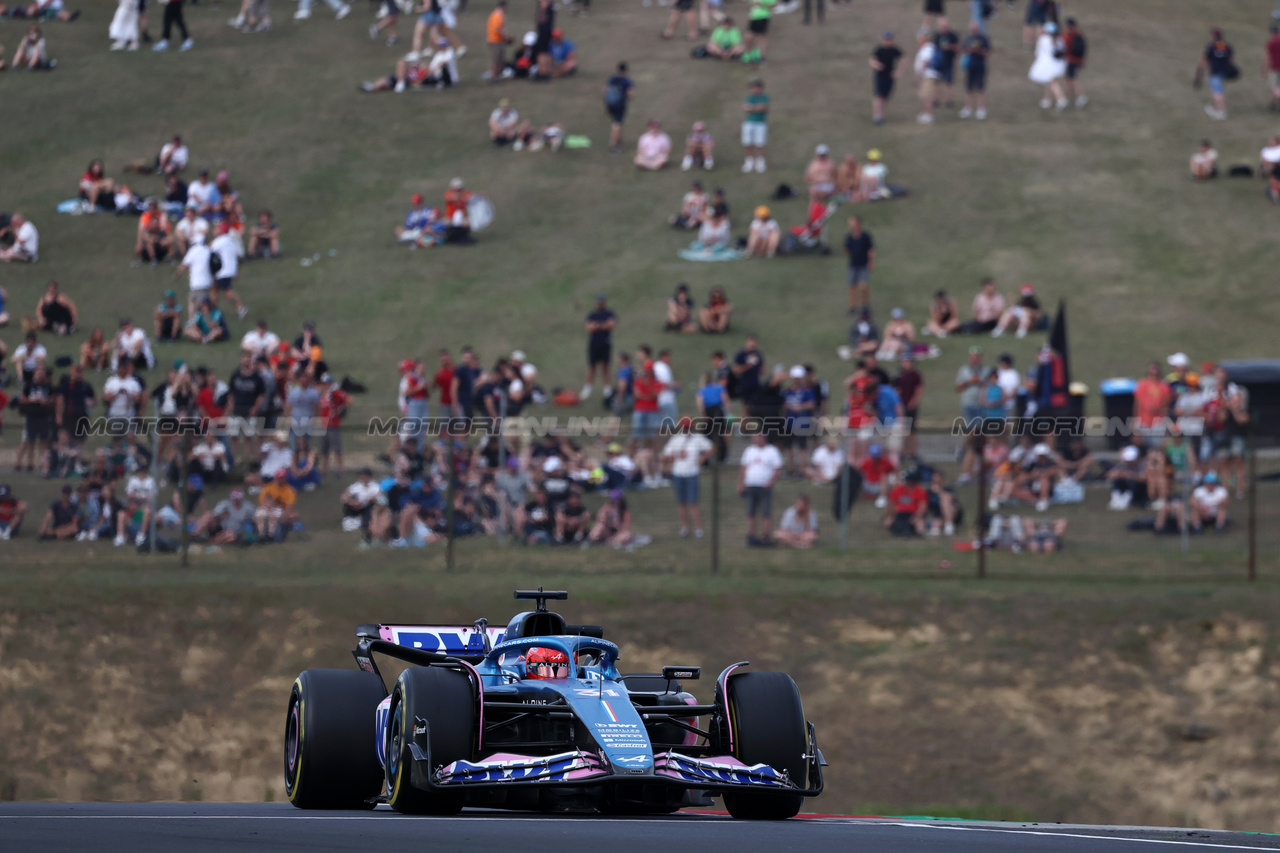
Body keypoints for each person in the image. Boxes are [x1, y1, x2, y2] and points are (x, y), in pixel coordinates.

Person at [738, 431, 782, 546]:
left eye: (757, 437)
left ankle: (765, 536)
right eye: (754, 437)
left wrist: (770, 483)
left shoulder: (772, 451)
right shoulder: (749, 451)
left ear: (763, 438)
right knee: (751, 512)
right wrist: (740, 484)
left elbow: (777, 470)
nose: (756, 439)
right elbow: (743, 468)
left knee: (766, 512)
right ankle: (751, 535)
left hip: (764, 486)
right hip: (750, 485)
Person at [210, 222, 247, 318]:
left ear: (221, 231)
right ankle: (214, 310)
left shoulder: (219, 241)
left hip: (222, 271)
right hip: (229, 269)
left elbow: (209, 249)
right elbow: (236, 256)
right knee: (214, 289)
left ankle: (240, 307)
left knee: (228, 292)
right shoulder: (231, 241)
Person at [583, 293, 616, 400]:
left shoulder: (609, 313)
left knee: (605, 366)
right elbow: (589, 328)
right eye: (599, 301)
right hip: (594, 343)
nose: (600, 303)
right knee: (592, 366)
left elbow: (611, 325)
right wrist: (602, 325)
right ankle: (587, 387)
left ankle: (607, 388)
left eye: (602, 301)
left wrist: (597, 325)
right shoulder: (592, 314)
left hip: (605, 342)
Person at [1198, 28, 1235, 121]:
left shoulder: (1211, 46)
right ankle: (1213, 107)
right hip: (1224, 72)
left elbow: (1204, 59)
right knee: (1216, 90)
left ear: (1213, 36)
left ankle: (1221, 111)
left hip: (1215, 72)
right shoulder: (1226, 46)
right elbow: (1231, 59)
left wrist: (1200, 70)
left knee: (1217, 92)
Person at [1029, 21, 1067, 110]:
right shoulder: (1059, 39)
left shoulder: (1043, 39)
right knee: (1050, 82)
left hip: (1047, 64)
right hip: (1058, 64)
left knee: (1052, 83)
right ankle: (1047, 99)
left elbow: (1037, 52)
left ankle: (1061, 99)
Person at [869, 31, 904, 125]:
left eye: (889, 39)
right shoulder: (879, 49)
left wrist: (898, 71)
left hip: (890, 76)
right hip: (880, 76)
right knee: (878, 95)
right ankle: (877, 116)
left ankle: (881, 115)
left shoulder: (894, 50)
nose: (887, 41)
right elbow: (871, 60)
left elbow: (904, 59)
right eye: (886, 39)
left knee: (885, 97)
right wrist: (877, 65)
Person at [843, 216, 875, 312]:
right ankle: (853, 306)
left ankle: (865, 304)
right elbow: (847, 250)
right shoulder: (849, 237)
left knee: (863, 285)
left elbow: (871, 249)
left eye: (852, 223)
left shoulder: (865, 236)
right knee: (851, 286)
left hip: (863, 264)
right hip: (853, 265)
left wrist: (871, 261)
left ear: (858, 224)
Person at [960, 19, 989, 119]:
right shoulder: (968, 39)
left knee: (980, 88)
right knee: (969, 88)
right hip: (970, 66)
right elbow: (963, 50)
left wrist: (978, 50)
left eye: (975, 28)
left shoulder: (983, 39)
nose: (974, 30)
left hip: (980, 66)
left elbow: (987, 52)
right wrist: (968, 50)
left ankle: (981, 109)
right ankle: (968, 108)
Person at [740, 79, 769, 173]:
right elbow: (745, 108)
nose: (755, 89)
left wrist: (751, 108)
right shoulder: (750, 97)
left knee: (760, 143)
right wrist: (755, 108)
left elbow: (763, 108)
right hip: (749, 122)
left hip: (760, 123)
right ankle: (749, 162)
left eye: (756, 87)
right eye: (753, 87)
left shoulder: (764, 97)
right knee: (748, 143)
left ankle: (760, 162)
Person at [604, 62, 633, 154]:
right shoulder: (626, 81)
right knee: (617, 124)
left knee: (617, 123)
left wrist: (607, 104)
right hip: (620, 104)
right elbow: (631, 94)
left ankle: (618, 140)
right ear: (625, 70)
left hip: (610, 103)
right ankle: (613, 145)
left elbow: (606, 91)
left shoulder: (612, 79)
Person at [483, 0, 512, 81]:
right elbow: (498, 29)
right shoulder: (498, 15)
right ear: (504, 6)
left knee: (499, 59)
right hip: (495, 40)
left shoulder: (497, 14)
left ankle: (497, 75)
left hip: (497, 40)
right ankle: (493, 77)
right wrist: (506, 37)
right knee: (495, 60)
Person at [1061, 17, 1087, 107]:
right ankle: (1067, 97)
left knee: (1072, 79)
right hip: (1078, 60)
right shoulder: (1079, 34)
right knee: (1070, 79)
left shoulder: (1067, 35)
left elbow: (1064, 47)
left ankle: (1080, 97)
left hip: (1070, 60)